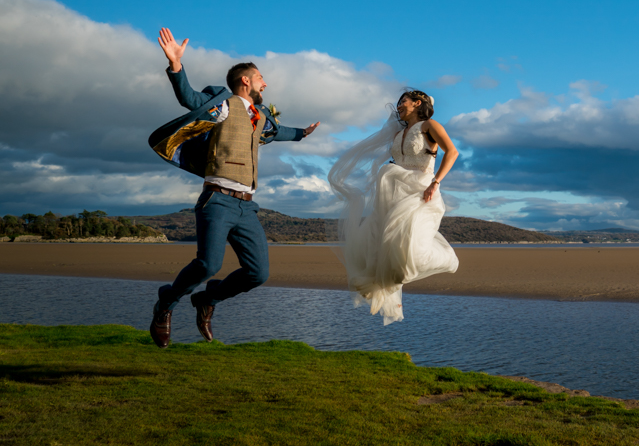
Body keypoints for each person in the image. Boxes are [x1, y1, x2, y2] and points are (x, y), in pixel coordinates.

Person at [146, 28, 319, 347]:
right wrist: (176, 67)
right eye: (261, 78)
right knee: (208, 264)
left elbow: (276, 132)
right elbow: (189, 99)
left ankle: (207, 300)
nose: (265, 83)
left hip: (247, 206)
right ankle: (166, 304)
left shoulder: (260, 117)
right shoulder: (223, 105)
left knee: (257, 274)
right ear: (245, 81)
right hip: (218, 202)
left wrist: (301, 134)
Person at [328, 89, 459, 324]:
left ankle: (439, 261)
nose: (398, 106)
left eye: (403, 102)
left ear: (417, 103)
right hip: (394, 193)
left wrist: (435, 182)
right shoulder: (398, 133)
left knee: (409, 245)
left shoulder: (429, 125)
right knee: (382, 242)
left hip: (420, 190)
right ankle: (384, 284)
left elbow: (453, 152)